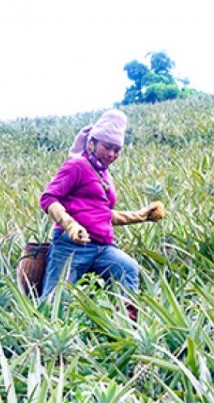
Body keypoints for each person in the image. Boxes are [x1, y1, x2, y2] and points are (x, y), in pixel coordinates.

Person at [39, 109, 165, 319]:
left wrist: (141, 216)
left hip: (101, 246)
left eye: (117, 150)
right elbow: (48, 198)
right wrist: (70, 225)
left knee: (127, 268)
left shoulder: (104, 175)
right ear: (92, 143)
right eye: (107, 147)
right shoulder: (77, 165)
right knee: (55, 301)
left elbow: (102, 215)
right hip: (71, 245)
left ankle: (124, 324)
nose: (112, 154)